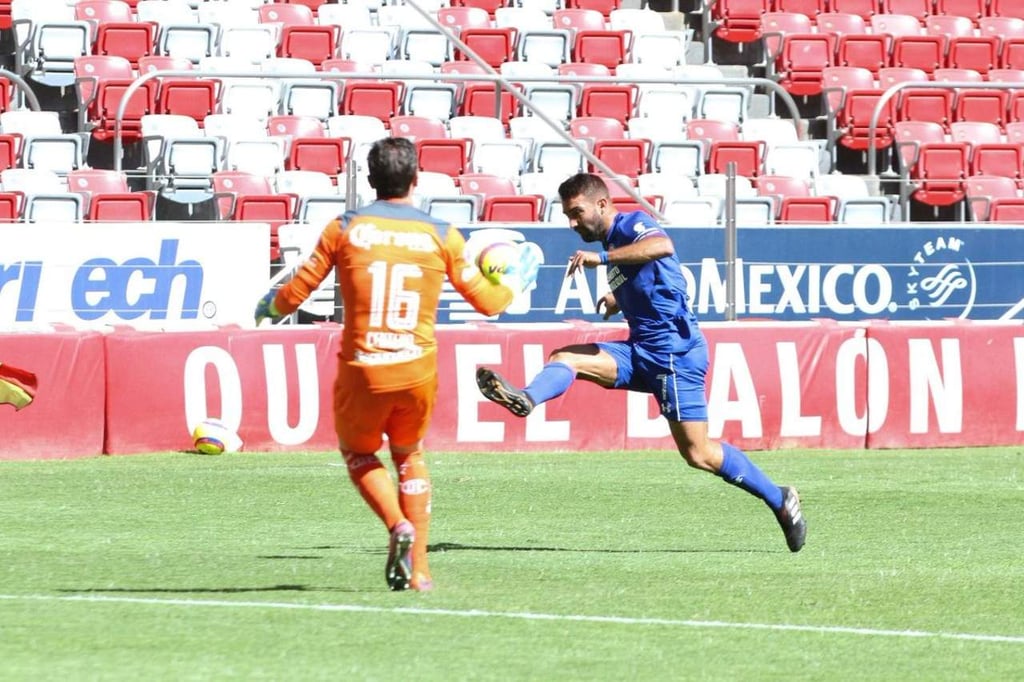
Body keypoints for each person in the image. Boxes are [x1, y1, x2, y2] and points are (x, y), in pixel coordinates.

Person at [255, 137, 536, 591]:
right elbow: (487, 303)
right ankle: (420, 571)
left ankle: (395, 525)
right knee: (409, 454)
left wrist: (269, 306)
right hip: (416, 369)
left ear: (370, 180)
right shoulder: (442, 233)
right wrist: (514, 282)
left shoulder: (344, 227)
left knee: (360, 453)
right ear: (416, 179)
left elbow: (300, 288)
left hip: (364, 368)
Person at [476, 173, 807, 552]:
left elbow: (662, 246)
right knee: (565, 357)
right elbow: (654, 275)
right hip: (639, 351)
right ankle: (527, 399)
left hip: (674, 357)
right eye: (567, 215)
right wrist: (619, 298)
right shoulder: (615, 242)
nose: (572, 223)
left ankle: (779, 498)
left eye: (577, 212)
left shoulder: (631, 224)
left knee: (698, 454)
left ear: (602, 205)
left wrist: (599, 260)